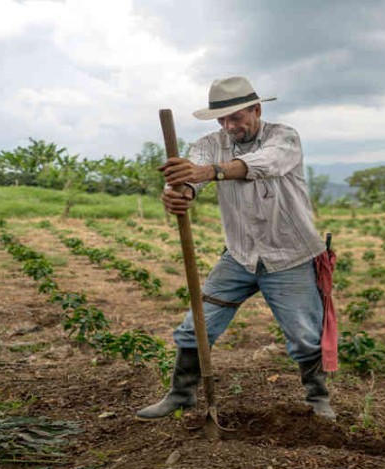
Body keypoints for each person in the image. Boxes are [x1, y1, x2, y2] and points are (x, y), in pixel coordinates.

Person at [135, 76, 335, 421]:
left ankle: (318, 400)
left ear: (256, 110)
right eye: (223, 120)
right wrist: (179, 194)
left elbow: (263, 165)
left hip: (291, 256)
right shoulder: (209, 144)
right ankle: (181, 394)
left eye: (236, 118)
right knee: (195, 326)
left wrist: (207, 172)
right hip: (240, 256)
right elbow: (190, 181)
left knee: (304, 335)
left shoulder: (283, 137)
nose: (229, 126)